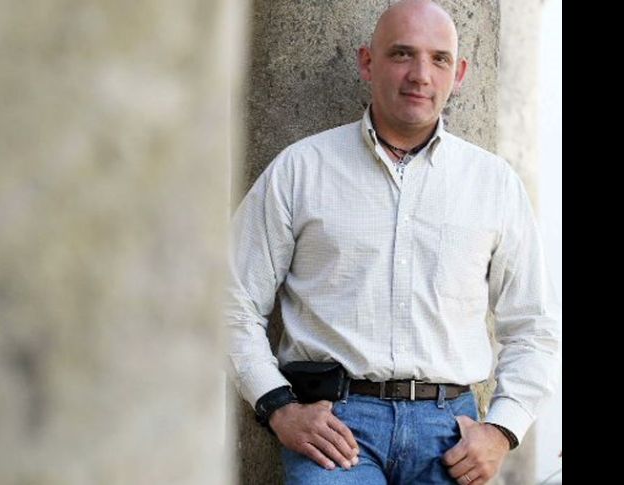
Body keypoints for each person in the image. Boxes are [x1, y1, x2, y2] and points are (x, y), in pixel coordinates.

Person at [225, 0, 561, 484]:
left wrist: (503, 429)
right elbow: (229, 299)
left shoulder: (494, 183)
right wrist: (277, 406)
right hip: (335, 431)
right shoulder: (301, 169)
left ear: (459, 74)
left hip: (452, 435)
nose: (421, 75)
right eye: (402, 54)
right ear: (368, 62)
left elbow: (534, 325)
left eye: (439, 59)